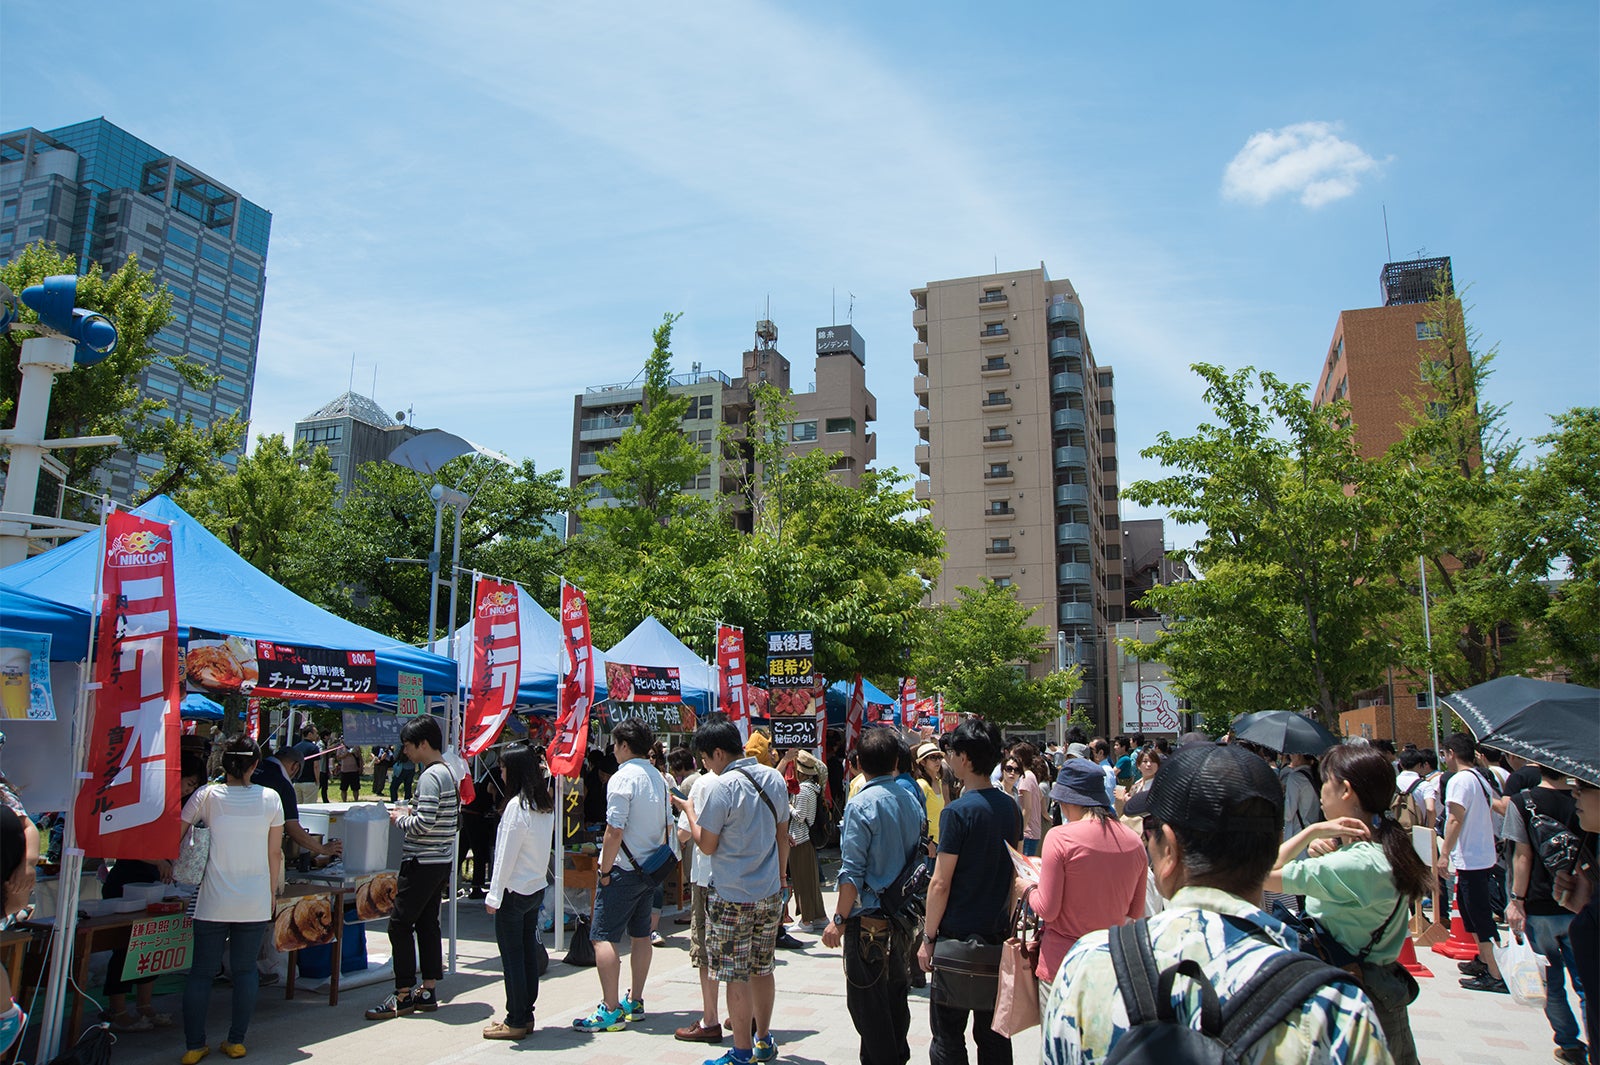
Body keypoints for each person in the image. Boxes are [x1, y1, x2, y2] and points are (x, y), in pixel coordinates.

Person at [1042, 741, 1393, 1065]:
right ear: (1273, 846)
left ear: (1169, 849)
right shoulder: (1337, 1006)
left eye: (1150, 832)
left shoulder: (1088, 966)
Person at [1266, 743, 1431, 1065]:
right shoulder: (1383, 848)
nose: (1321, 791)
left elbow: (1261, 875)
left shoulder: (1353, 863)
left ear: (1345, 790)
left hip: (1351, 1000)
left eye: (1325, 781)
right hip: (1382, 993)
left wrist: (1311, 832)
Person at [678, 717, 791, 1065]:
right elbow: (783, 834)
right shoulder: (773, 777)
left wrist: (690, 811)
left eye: (705, 758)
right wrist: (782, 878)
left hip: (730, 895)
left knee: (734, 974)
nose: (706, 766)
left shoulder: (721, 787)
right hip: (769, 891)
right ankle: (763, 1040)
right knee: (763, 968)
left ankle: (741, 1052)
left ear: (717, 753)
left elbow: (707, 845)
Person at [917, 717, 1021, 1065]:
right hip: (996, 939)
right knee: (994, 1038)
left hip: (956, 942)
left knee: (948, 1038)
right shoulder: (1011, 808)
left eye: (951, 753)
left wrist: (928, 937)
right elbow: (1016, 876)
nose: (948, 759)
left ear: (963, 757)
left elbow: (940, 882)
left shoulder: (957, 813)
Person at [820, 725, 925, 1065]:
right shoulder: (912, 799)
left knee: (867, 1003)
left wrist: (838, 919)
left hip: (868, 919)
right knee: (895, 995)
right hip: (903, 916)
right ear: (896, 761)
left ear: (858, 764)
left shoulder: (861, 804)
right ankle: (897, 1055)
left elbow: (852, 871)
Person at [180, 737, 284, 1064]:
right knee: (245, 971)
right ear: (255, 765)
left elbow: (177, 831)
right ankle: (236, 1041)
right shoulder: (271, 797)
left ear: (225, 764)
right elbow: (274, 853)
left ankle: (194, 1045)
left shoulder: (206, 795)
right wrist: (271, 893)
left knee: (201, 973)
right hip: (254, 898)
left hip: (212, 898)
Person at [573, 719, 670, 1033]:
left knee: (602, 936)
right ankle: (635, 1001)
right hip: (650, 868)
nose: (613, 751)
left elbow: (614, 830)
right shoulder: (658, 777)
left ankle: (610, 1007)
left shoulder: (622, 778)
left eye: (615, 745)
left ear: (625, 745)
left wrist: (604, 870)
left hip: (622, 869)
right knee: (641, 935)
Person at [102, 753, 206, 1032]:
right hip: (126, 882)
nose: (188, 790)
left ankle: (144, 1005)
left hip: (154, 884)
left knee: (151, 945)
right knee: (124, 948)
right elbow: (124, 844)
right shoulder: (147, 801)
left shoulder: (174, 806)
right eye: (188, 783)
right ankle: (118, 1009)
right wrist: (158, 861)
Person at [366, 715, 460, 1021]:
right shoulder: (448, 772)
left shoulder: (430, 776)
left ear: (423, 743)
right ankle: (428, 988)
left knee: (400, 924)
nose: (404, 751)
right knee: (427, 923)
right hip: (440, 860)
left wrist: (400, 819)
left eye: (407, 745)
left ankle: (403, 993)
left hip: (421, 861)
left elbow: (424, 823)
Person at [1031, 760, 1146, 1006]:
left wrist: (1028, 889)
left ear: (1068, 801)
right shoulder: (1134, 842)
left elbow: (1047, 908)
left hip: (1062, 962)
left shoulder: (1059, 837)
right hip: (1111, 962)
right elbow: (1135, 911)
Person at [1504, 763, 1588, 1064]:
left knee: (1550, 983)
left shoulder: (1522, 802)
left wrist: (1517, 900)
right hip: (1581, 904)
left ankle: (1569, 1044)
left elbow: (1522, 856)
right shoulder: (1585, 799)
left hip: (1539, 904)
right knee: (1587, 983)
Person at [482, 742, 555, 1040]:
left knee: (512, 957)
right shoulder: (543, 804)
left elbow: (504, 856)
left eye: (502, 768)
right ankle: (525, 1014)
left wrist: (494, 894)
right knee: (525, 953)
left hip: (514, 892)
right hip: (534, 887)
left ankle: (515, 1019)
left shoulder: (517, 806)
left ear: (513, 771)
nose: (500, 773)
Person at [1438, 732, 1507, 993]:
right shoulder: (1479, 776)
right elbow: (1497, 806)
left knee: (1479, 917)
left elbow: (1455, 819)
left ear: (1451, 753)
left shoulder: (1459, 780)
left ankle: (1496, 973)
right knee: (1471, 915)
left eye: (1445, 754)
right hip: (1481, 855)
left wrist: (1444, 853)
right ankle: (1484, 960)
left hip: (1472, 858)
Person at [675, 745, 727, 1046]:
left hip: (708, 877)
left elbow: (685, 834)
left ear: (715, 754)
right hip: (748, 878)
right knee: (740, 950)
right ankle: (745, 1015)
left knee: (707, 950)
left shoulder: (704, 783)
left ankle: (710, 1019)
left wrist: (687, 813)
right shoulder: (761, 778)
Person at [253, 746, 342, 868]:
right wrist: (322, 849)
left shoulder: (252, 768)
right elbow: (292, 827)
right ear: (295, 767)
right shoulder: (283, 784)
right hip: (260, 850)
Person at [786, 750, 829, 932]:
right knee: (810, 880)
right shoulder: (813, 788)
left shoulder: (804, 790)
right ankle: (819, 916)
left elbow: (800, 816)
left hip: (800, 839)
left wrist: (788, 806)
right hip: (806, 840)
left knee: (802, 880)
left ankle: (806, 920)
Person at [1011, 741, 1043, 858]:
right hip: (1032, 831)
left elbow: (1027, 809)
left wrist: (1019, 833)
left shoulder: (1026, 778)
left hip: (1027, 833)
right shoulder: (1031, 775)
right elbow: (1040, 796)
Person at [290, 724, 322, 806]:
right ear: (310, 734)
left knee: (297, 806)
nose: (317, 735)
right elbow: (316, 766)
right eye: (315, 733)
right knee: (309, 807)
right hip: (309, 782)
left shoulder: (295, 747)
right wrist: (317, 780)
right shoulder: (314, 748)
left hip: (297, 782)